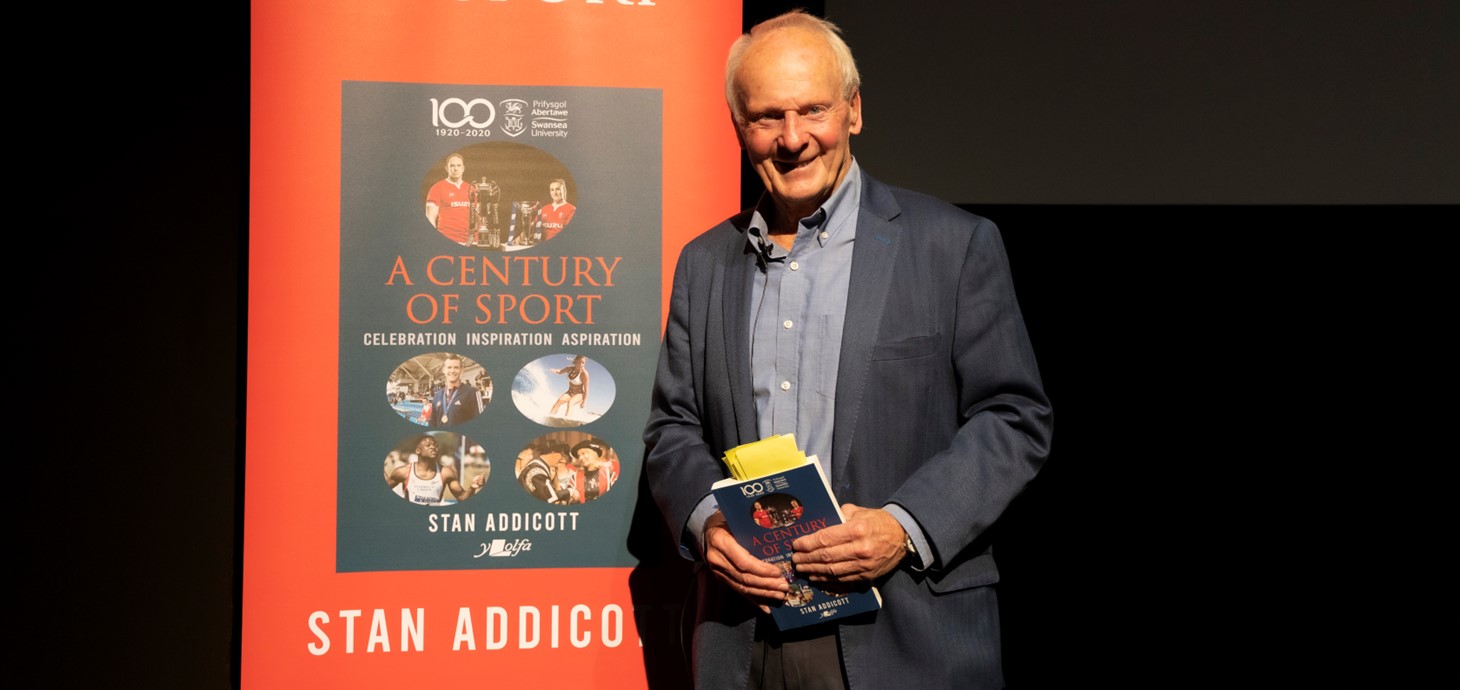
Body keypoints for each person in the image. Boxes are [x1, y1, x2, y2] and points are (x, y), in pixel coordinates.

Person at [642, 11, 1052, 690]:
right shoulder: (704, 264)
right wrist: (709, 522)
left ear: (854, 110)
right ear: (739, 126)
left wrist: (906, 524)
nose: (793, 138)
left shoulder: (953, 247)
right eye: (767, 116)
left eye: (813, 110)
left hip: (908, 637)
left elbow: (1014, 418)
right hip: (747, 636)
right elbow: (672, 427)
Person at [385, 435, 484, 505]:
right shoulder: (402, 472)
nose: (433, 447)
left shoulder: (446, 473)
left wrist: (472, 487)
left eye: (435, 445)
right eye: (428, 445)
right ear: (418, 451)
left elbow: (462, 498)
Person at [425, 153, 474, 245]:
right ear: (446, 168)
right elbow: (430, 219)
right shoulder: (437, 188)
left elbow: (477, 218)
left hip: (470, 242)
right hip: (447, 240)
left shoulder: (472, 189)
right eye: (452, 166)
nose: (456, 169)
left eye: (458, 165)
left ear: (463, 168)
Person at [428, 354, 480, 427]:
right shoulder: (437, 395)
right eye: (449, 367)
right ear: (444, 370)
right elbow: (432, 423)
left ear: (461, 370)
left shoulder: (473, 393)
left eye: (456, 367)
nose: (452, 371)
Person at [517, 439, 572, 504]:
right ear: (553, 453)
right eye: (562, 456)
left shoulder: (538, 465)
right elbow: (550, 497)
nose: (563, 460)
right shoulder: (537, 471)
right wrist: (570, 491)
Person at [568, 438, 617, 503]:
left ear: (592, 454)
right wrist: (574, 498)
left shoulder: (609, 474)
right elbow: (570, 498)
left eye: (583, 453)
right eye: (579, 455)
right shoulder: (575, 477)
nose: (580, 458)